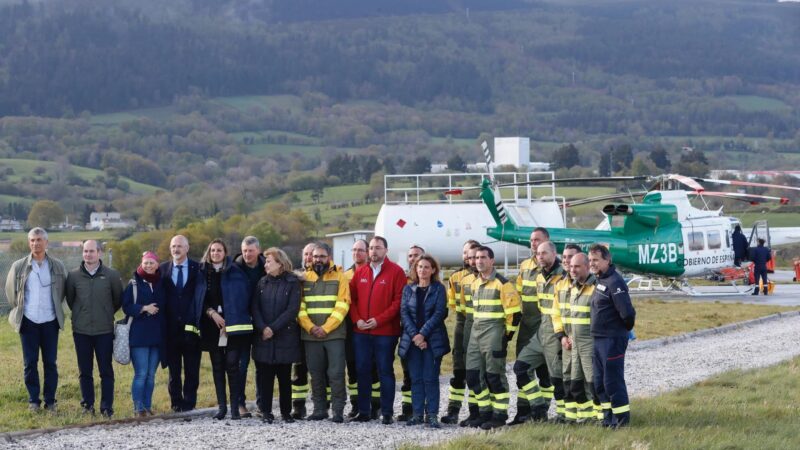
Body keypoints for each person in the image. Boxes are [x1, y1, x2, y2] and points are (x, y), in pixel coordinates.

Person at [185, 239, 253, 420]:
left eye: (219, 250)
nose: (215, 253)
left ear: (225, 253)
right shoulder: (202, 272)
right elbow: (199, 298)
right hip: (211, 326)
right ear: (209, 252)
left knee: (232, 365)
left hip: (233, 326)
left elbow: (242, 298)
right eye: (212, 250)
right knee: (217, 366)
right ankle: (222, 407)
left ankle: (235, 407)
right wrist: (212, 313)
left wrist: (229, 320)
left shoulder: (235, 272)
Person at [5, 228, 67, 413]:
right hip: (28, 321)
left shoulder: (57, 266)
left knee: (50, 363)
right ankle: (33, 400)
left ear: (46, 243)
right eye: (32, 240)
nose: (35, 243)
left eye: (39, 240)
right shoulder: (19, 266)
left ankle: (50, 402)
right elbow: (11, 293)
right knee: (30, 363)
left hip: (50, 321)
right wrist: (22, 309)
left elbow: (62, 291)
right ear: (28, 242)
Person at [349, 236, 406, 424]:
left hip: (385, 333)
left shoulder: (396, 272)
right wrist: (357, 320)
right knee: (362, 371)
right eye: (371, 248)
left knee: (385, 371)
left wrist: (378, 321)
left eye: (378, 248)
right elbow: (352, 299)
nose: (374, 251)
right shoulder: (361, 272)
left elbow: (398, 302)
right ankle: (364, 411)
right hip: (361, 333)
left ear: (386, 250)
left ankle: (387, 412)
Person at [65, 240, 123, 417]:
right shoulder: (73, 276)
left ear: (99, 253)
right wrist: (81, 314)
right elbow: (70, 299)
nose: (88, 255)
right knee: (85, 371)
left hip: (104, 331)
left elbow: (117, 300)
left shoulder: (112, 275)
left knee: (106, 371)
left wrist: (104, 313)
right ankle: (87, 405)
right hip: (81, 331)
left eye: (91, 251)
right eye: (85, 251)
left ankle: (106, 407)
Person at [465, 246, 521, 430]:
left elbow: (515, 314)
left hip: (494, 335)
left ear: (492, 261)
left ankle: (499, 415)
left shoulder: (503, 284)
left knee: (494, 377)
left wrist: (506, 337)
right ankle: (484, 413)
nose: (479, 261)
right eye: (477, 257)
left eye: (483, 257)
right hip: (476, 335)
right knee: (473, 376)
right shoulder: (474, 283)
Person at [299, 242, 350, 423]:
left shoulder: (340, 277)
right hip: (310, 335)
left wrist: (326, 328)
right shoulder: (304, 278)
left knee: (335, 374)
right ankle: (319, 410)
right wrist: (311, 327)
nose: (318, 260)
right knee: (316, 373)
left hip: (334, 335)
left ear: (329, 257)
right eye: (315, 256)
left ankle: (337, 411)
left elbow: (343, 305)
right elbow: (299, 307)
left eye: (322, 256)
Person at [251, 248, 302, 424]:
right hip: (263, 337)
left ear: (280, 263)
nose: (265, 264)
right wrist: (262, 327)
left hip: (284, 337)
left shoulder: (292, 282)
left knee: (284, 378)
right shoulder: (262, 283)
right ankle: (266, 412)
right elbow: (255, 308)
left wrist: (273, 328)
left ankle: (286, 412)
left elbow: (292, 309)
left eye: (269, 261)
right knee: (265, 378)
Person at [399, 254, 450, 428]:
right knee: (416, 379)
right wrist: (416, 336)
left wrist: (423, 335)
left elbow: (438, 314)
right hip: (412, 341)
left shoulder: (438, 289)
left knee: (430, 378)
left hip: (432, 340)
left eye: (427, 267)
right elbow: (404, 314)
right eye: (420, 267)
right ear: (415, 269)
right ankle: (417, 414)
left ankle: (433, 415)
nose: (422, 270)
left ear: (433, 270)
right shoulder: (408, 289)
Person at [588, 244, 636, 428]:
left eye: (596, 260)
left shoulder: (615, 282)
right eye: (590, 260)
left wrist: (620, 332)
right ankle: (608, 419)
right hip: (598, 339)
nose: (592, 263)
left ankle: (622, 421)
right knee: (599, 383)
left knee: (612, 381)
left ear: (607, 260)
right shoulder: (599, 280)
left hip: (612, 340)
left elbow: (628, 314)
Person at [511, 227, 552, 425]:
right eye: (531, 240)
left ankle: (541, 412)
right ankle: (523, 413)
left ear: (547, 241)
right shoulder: (525, 265)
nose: (533, 243)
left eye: (537, 240)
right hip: (526, 327)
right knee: (522, 370)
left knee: (546, 374)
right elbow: (518, 293)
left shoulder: (554, 269)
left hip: (545, 327)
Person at [553, 253, 599, 424]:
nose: (572, 269)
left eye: (576, 266)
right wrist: (564, 336)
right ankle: (586, 417)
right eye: (571, 266)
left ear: (587, 267)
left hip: (590, 342)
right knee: (575, 384)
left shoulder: (596, 287)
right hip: (573, 343)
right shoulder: (572, 287)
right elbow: (564, 315)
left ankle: (600, 418)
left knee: (594, 383)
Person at [123, 251, 167, 417]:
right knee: (141, 374)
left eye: (152, 263)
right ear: (141, 264)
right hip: (139, 336)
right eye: (146, 263)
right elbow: (126, 306)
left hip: (157, 336)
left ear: (157, 264)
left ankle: (148, 407)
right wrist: (143, 308)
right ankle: (138, 408)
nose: (148, 265)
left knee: (151, 375)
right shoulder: (134, 283)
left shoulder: (162, 283)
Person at [441, 240, 480, 424]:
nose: (468, 258)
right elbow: (454, 305)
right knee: (458, 370)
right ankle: (453, 411)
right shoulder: (455, 277)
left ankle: (476, 411)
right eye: (465, 253)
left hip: (479, 324)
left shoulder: (485, 277)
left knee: (475, 370)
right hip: (461, 322)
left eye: (472, 255)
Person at [161, 235, 202, 412]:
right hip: (170, 330)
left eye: (179, 246)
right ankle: (176, 403)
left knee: (192, 369)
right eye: (173, 246)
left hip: (192, 329)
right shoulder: (162, 269)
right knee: (174, 371)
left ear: (187, 248)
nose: (175, 249)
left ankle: (190, 402)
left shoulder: (198, 269)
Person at [344, 239, 381, 418]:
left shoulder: (374, 272)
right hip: (351, 328)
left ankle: (375, 405)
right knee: (353, 368)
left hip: (373, 327)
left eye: (361, 250)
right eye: (354, 250)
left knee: (373, 369)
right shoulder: (345, 275)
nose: (357, 253)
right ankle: (356, 404)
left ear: (367, 253)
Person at [233, 236, 266, 418]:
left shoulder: (266, 267)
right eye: (245, 250)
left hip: (262, 321)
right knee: (242, 365)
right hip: (242, 322)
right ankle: (240, 404)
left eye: (251, 250)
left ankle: (262, 403)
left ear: (258, 251)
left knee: (261, 364)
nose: (247, 254)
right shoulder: (235, 268)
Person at [456, 244, 488, 428]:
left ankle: (488, 412)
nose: (475, 261)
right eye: (472, 258)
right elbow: (461, 308)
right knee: (472, 373)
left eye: (478, 257)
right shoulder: (467, 281)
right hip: (470, 328)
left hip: (488, 330)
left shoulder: (495, 281)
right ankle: (474, 412)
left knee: (488, 374)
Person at [552, 244, 580, 422]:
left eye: (571, 257)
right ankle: (570, 418)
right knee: (568, 378)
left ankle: (592, 418)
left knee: (586, 380)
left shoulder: (590, 283)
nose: (567, 261)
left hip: (584, 340)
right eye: (564, 258)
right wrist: (561, 336)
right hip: (566, 340)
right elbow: (556, 313)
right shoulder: (560, 285)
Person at [397, 244, 425, 422]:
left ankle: (423, 409)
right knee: (407, 373)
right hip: (406, 332)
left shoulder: (432, 281)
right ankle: (408, 409)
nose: (413, 258)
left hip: (425, 334)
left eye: (417, 255)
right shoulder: (403, 280)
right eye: (410, 256)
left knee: (424, 373)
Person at [290, 242, 317, 419]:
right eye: (306, 254)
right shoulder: (294, 277)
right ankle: (298, 406)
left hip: (319, 328)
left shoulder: (325, 276)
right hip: (298, 330)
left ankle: (322, 405)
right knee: (299, 370)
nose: (308, 257)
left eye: (311, 254)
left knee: (320, 369)